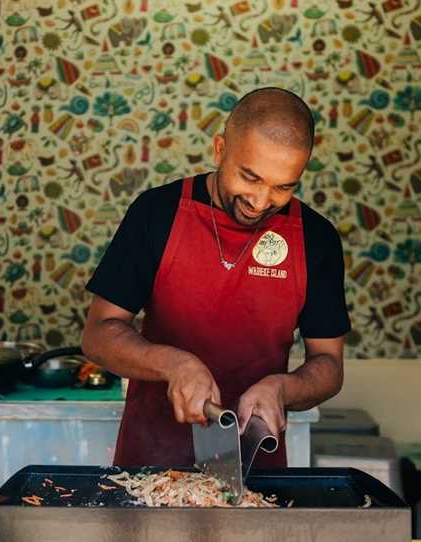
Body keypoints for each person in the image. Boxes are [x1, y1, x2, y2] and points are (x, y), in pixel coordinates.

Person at [81, 87, 351, 468]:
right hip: (150, 461)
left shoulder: (315, 239)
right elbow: (98, 334)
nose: (260, 202)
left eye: (283, 187)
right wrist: (174, 364)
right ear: (220, 149)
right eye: (250, 177)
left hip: (256, 467)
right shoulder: (157, 214)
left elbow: (329, 364)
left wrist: (283, 388)